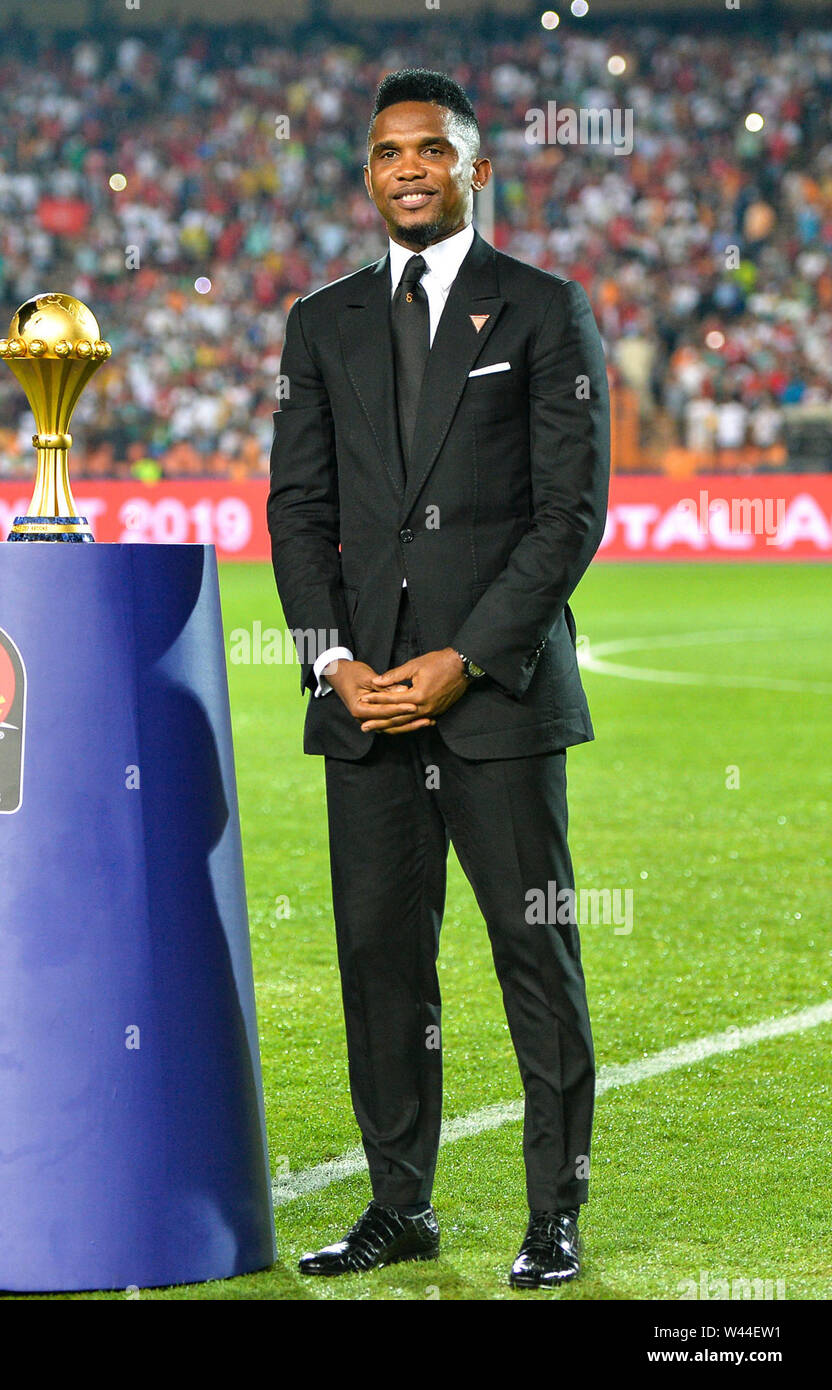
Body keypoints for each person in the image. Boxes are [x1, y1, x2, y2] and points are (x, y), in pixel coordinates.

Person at [267, 68, 610, 1289]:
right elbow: (297, 512)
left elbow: (569, 517)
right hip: (363, 710)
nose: (407, 167)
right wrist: (337, 661)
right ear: (366, 175)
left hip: (496, 698)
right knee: (378, 963)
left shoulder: (544, 309)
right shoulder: (321, 321)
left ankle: (553, 1211)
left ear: (474, 168)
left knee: (536, 955)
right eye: (386, 152)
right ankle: (398, 1205)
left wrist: (461, 660)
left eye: (431, 148)